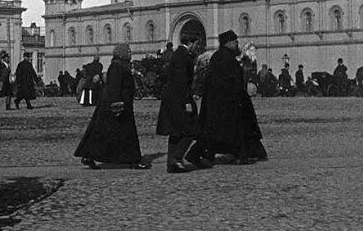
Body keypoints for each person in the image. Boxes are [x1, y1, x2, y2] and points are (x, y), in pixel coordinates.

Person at [186, 29, 256, 166]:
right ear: (229, 43)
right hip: (224, 102)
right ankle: (196, 155)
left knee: (221, 131)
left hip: (220, 101)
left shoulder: (220, 56)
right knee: (216, 132)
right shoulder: (226, 58)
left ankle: (237, 154)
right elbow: (230, 81)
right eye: (235, 42)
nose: (237, 44)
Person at [74, 43, 149, 169]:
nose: (130, 54)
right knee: (127, 134)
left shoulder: (121, 65)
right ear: (121, 53)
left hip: (117, 105)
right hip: (117, 106)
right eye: (128, 51)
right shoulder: (117, 66)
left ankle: (89, 155)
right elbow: (114, 86)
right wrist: (117, 104)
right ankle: (134, 160)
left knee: (104, 134)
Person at [155, 34, 201, 173]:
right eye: (196, 43)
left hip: (172, 98)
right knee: (190, 129)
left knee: (175, 132)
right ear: (191, 42)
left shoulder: (178, 54)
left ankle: (171, 163)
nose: (197, 47)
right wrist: (187, 101)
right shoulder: (183, 56)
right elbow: (181, 80)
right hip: (179, 98)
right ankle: (177, 158)